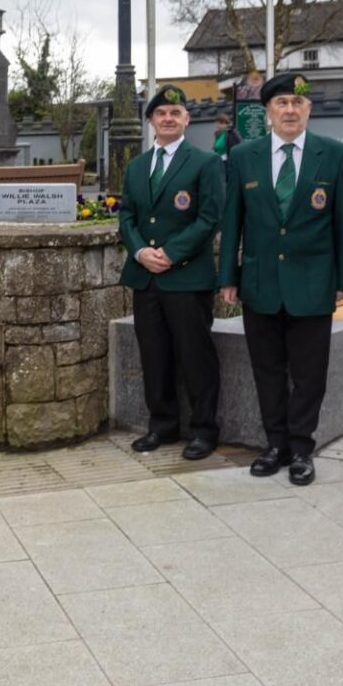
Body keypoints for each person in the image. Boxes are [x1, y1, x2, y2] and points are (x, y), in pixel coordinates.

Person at [219, 73, 343, 485]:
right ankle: (274, 444)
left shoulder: (334, 154)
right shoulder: (244, 156)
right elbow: (232, 220)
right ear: (268, 111)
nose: (290, 110)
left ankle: (301, 449)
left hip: (313, 283)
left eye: (298, 103)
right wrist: (228, 276)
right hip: (260, 283)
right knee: (267, 370)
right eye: (281, 103)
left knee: (310, 375)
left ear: (309, 109)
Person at [118, 85, 226, 460]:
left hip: (186, 277)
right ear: (151, 120)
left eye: (175, 113)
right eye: (161, 113)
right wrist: (140, 251)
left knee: (195, 357)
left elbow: (210, 217)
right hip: (146, 276)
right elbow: (127, 215)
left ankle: (203, 430)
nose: (168, 118)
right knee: (154, 356)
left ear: (187, 119)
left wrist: (170, 253)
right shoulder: (137, 166)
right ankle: (162, 426)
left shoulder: (205, 162)